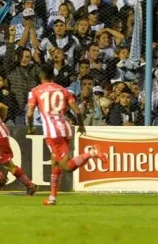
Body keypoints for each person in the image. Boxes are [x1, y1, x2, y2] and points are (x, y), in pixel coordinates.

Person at [27, 64, 107, 206]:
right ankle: (52, 198)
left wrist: (31, 128)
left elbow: (30, 113)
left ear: (41, 76)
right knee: (55, 162)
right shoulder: (63, 90)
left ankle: (92, 153)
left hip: (52, 133)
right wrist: (81, 125)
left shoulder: (35, 91)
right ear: (53, 76)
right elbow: (78, 111)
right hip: (65, 128)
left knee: (66, 167)